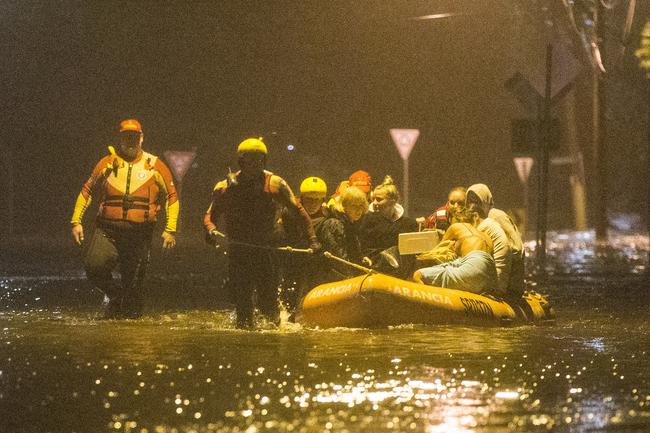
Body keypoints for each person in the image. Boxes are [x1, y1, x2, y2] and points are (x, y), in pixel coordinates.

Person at [203, 138, 318, 328]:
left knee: (268, 301)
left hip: (267, 250)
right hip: (239, 251)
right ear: (241, 162)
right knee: (242, 303)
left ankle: (271, 336)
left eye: (259, 161)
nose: (255, 165)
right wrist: (212, 231)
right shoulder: (224, 188)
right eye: (250, 161)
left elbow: (299, 212)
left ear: (264, 161)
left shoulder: (276, 184)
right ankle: (245, 337)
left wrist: (312, 239)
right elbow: (209, 216)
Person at [70, 118, 179, 319]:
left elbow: (172, 197)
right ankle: (115, 295)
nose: (131, 141)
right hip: (107, 231)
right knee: (93, 268)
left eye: (135, 137)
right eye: (126, 137)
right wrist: (76, 221)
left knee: (133, 288)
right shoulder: (107, 163)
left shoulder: (155, 166)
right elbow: (87, 190)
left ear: (142, 138)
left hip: (139, 235)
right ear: (120, 138)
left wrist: (170, 229)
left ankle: (129, 334)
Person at [413, 206, 497, 294]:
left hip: (472, 270)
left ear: (452, 219)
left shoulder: (455, 227)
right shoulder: (486, 236)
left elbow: (436, 252)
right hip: (489, 278)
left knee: (418, 275)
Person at [278, 176, 329, 316]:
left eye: (317, 200)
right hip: (292, 258)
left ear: (323, 201)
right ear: (302, 198)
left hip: (314, 261)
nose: (313, 204)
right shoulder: (289, 211)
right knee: (289, 292)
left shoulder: (328, 214)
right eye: (309, 200)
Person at [466, 183, 524, 296]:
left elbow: (517, 248)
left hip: (510, 282)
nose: (472, 206)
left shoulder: (495, 215)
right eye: (469, 201)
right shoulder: (476, 219)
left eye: (477, 201)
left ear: (486, 200)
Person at [360, 175, 418, 276]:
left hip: (402, 275)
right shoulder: (365, 221)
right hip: (373, 270)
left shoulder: (409, 224)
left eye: (379, 199)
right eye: (373, 198)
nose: (374, 203)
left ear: (392, 201)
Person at [319, 186, 370, 278]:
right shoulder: (334, 224)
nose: (358, 210)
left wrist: (361, 260)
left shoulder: (350, 223)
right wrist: (351, 278)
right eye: (354, 205)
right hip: (334, 280)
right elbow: (337, 258)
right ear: (344, 205)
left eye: (361, 205)